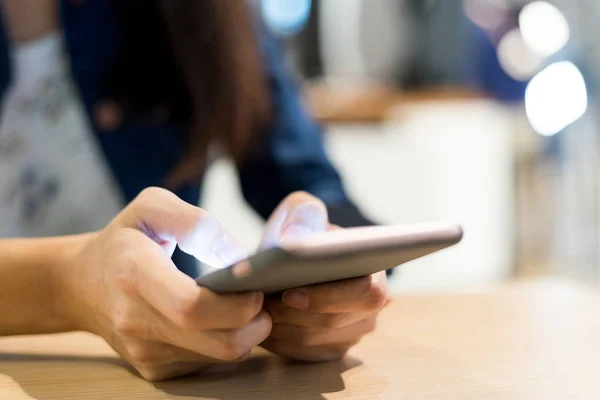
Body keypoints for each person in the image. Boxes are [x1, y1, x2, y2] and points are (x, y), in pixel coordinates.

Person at [0, 0, 380, 277]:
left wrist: (334, 264)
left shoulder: (206, 14)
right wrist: (74, 286)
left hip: (158, 366)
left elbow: (308, 184)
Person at [0, 188, 392, 381]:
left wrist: (332, 250)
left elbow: (312, 179)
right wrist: (66, 282)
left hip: (193, 354)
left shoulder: (214, 27)